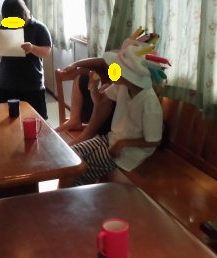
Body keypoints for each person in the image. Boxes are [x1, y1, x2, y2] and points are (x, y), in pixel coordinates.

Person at [65, 38, 165, 186]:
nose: (112, 72)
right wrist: (93, 88)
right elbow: (100, 101)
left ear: (129, 76)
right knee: (71, 155)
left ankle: (76, 197)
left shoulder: (148, 102)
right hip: (111, 139)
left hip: (129, 152)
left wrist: (122, 143)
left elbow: (154, 141)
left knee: (80, 172)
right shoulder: (123, 87)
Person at [0, 0, 52, 119]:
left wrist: (32, 48)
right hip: (7, 83)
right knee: (5, 120)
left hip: (32, 85)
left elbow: (46, 52)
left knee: (35, 120)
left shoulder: (39, 28)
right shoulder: (4, 27)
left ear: (23, 13)